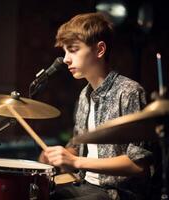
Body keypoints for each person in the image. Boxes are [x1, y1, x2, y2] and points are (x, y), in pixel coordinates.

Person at [39, 12, 152, 200]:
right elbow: (78, 147)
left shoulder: (129, 92)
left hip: (117, 193)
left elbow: (139, 164)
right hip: (85, 184)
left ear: (100, 50)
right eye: (65, 51)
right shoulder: (84, 94)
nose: (65, 59)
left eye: (73, 50)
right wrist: (59, 156)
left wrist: (76, 161)